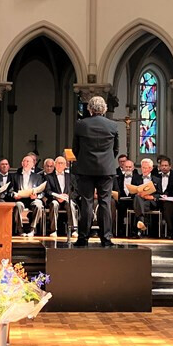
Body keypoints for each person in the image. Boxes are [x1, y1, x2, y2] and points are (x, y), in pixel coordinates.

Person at [72, 95, 119, 247]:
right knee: (105, 203)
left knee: (86, 203)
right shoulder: (112, 125)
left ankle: (83, 238)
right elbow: (115, 149)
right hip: (106, 169)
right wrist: (106, 161)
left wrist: (84, 160)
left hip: (85, 168)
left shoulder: (81, 124)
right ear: (104, 108)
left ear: (90, 109)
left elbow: (75, 149)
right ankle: (106, 238)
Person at [10, 155, 46, 237]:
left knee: (39, 205)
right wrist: (14, 195)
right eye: (24, 161)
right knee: (18, 205)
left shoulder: (38, 177)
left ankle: (32, 229)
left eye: (28, 161)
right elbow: (10, 190)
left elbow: (42, 191)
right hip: (20, 199)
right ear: (22, 163)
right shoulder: (15, 176)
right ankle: (20, 229)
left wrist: (37, 196)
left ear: (33, 164)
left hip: (32, 199)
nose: (25, 163)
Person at [44, 156, 78, 237]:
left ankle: (74, 230)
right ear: (55, 165)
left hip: (67, 199)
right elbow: (47, 191)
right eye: (58, 163)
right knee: (54, 204)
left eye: (62, 163)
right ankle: (53, 230)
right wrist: (57, 197)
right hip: (55, 199)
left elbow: (76, 191)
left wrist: (68, 197)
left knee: (71, 204)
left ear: (65, 165)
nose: (60, 165)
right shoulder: (48, 177)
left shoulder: (71, 176)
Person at [131, 158, 162, 238]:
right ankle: (141, 223)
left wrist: (150, 197)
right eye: (142, 167)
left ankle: (140, 225)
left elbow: (159, 194)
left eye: (146, 168)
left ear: (151, 168)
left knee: (138, 203)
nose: (143, 169)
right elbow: (131, 193)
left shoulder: (157, 179)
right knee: (137, 197)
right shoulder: (136, 178)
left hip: (150, 202)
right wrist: (137, 192)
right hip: (138, 201)